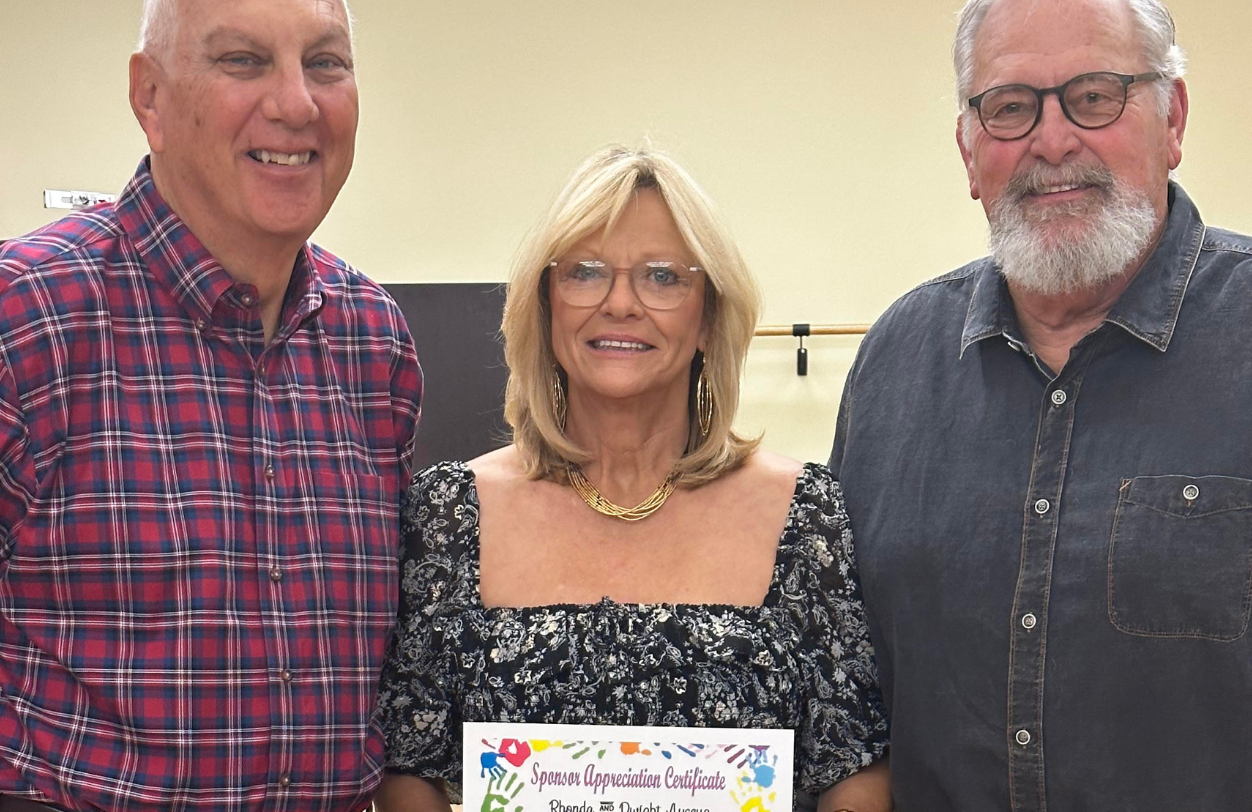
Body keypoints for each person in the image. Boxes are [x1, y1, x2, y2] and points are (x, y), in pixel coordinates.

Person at [830, 0, 1252, 811]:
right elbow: (854, 702)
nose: (1053, 139)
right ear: (967, 149)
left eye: (1095, 96)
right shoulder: (895, 364)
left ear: (1172, 118)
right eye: (1009, 108)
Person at [0, 0, 422, 811]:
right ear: (150, 96)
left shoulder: (373, 345)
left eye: (325, 62)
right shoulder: (11, 328)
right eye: (243, 60)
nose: (297, 103)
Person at [371, 145, 890, 812]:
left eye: (663, 277)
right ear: (547, 304)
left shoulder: (807, 512)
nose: (620, 303)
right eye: (584, 273)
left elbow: (853, 766)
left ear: (707, 317)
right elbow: (407, 763)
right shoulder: (447, 513)